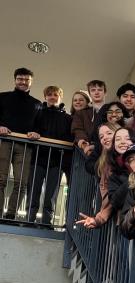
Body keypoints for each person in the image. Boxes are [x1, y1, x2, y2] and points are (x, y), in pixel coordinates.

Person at [27, 86, 74, 226]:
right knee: (33, 190)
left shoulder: (67, 118)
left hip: (56, 161)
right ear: (45, 97)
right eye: (49, 95)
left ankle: (47, 223)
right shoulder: (37, 113)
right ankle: (30, 220)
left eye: (55, 95)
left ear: (60, 97)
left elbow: (70, 136)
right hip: (37, 158)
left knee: (51, 194)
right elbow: (30, 128)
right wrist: (33, 132)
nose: (52, 97)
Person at [0, 67, 42, 220]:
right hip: (4, 142)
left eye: (26, 79)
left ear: (31, 82)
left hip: (25, 145)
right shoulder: (2, 97)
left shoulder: (37, 104)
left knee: (21, 182)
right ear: (15, 80)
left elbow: (39, 125)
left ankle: (10, 215)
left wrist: (36, 132)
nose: (23, 82)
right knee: (1, 180)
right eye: (20, 79)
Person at [76, 127, 135, 228]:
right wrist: (98, 219)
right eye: (118, 139)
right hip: (129, 220)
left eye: (127, 138)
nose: (122, 142)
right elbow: (109, 200)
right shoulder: (110, 169)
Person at [71, 80, 107, 152]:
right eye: (93, 90)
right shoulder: (81, 114)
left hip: (107, 150)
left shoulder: (111, 111)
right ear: (90, 94)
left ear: (105, 93)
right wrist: (84, 142)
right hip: (88, 152)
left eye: (100, 90)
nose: (96, 92)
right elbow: (78, 129)